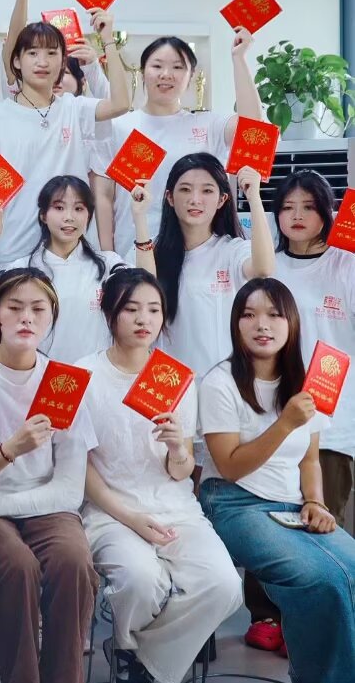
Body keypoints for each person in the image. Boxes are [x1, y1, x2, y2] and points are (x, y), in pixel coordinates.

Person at [77, 268, 241, 683]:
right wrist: (131, 519)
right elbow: (81, 468)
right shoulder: (85, 376)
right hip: (111, 511)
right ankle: (143, 661)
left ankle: (137, 657)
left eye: (153, 310)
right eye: (131, 309)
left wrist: (177, 449)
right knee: (141, 581)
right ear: (110, 313)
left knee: (224, 586)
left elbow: (181, 470)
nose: (143, 319)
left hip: (175, 507)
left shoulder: (175, 376)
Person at [197, 278, 355, 682]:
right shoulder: (220, 382)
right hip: (233, 500)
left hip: (291, 504)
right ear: (236, 324)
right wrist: (285, 423)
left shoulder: (306, 383)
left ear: (292, 323)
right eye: (248, 315)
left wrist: (315, 502)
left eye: (273, 314)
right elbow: (230, 466)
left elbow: (309, 459)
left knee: (351, 569)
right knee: (319, 579)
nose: (261, 324)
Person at [0, 269, 99, 683]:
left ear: (52, 316)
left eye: (38, 309)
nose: (26, 318)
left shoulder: (62, 381)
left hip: (38, 505)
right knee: (18, 566)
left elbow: (70, 490)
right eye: (15, 307)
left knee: (74, 561)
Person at [92, 29, 264, 257]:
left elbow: (253, 128)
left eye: (177, 67)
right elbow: (104, 196)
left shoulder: (207, 125)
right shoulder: (118, 127)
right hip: (134, 251)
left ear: (191, 76)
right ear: (142, 72)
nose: (166, 74)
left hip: (197, 255)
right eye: (157, 66)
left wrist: (239, 58)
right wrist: (109, 258)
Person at [0, 8, 131, 264]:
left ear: (63, 61)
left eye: (52, 53)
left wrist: (108, 40)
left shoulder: (74, 108)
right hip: (15, 247)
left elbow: (120, 104)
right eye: (33, 53)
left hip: (71, 247)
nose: (42, 62)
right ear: (17, 61)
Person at [269, 169, 355, 531]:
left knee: (327, 528)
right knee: (277, 533)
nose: (297, 215)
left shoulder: (346, 263)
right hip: (273, 419)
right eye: (288, 207)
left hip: (333, 421)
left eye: (308, 206)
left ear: (327, 211)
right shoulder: (267, 266)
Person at [152, 153, 273, 378]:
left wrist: (254, 198)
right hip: (169, 383)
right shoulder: (150, 253)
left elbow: (263, 269)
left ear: (221, 200)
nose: (195, 199)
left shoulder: (232, 250)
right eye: (185, 189)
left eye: (207, 191)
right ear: (170, 197)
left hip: (223, 384)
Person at [8, 175, 152, 363]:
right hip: (39, 376)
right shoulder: (22, 269)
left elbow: (148, 289)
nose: (69, 217)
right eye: (59, 208)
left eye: (78, 208)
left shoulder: (108, 265)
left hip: (96, 375)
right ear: (43, 215)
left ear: (89, 216)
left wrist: (140, 217)